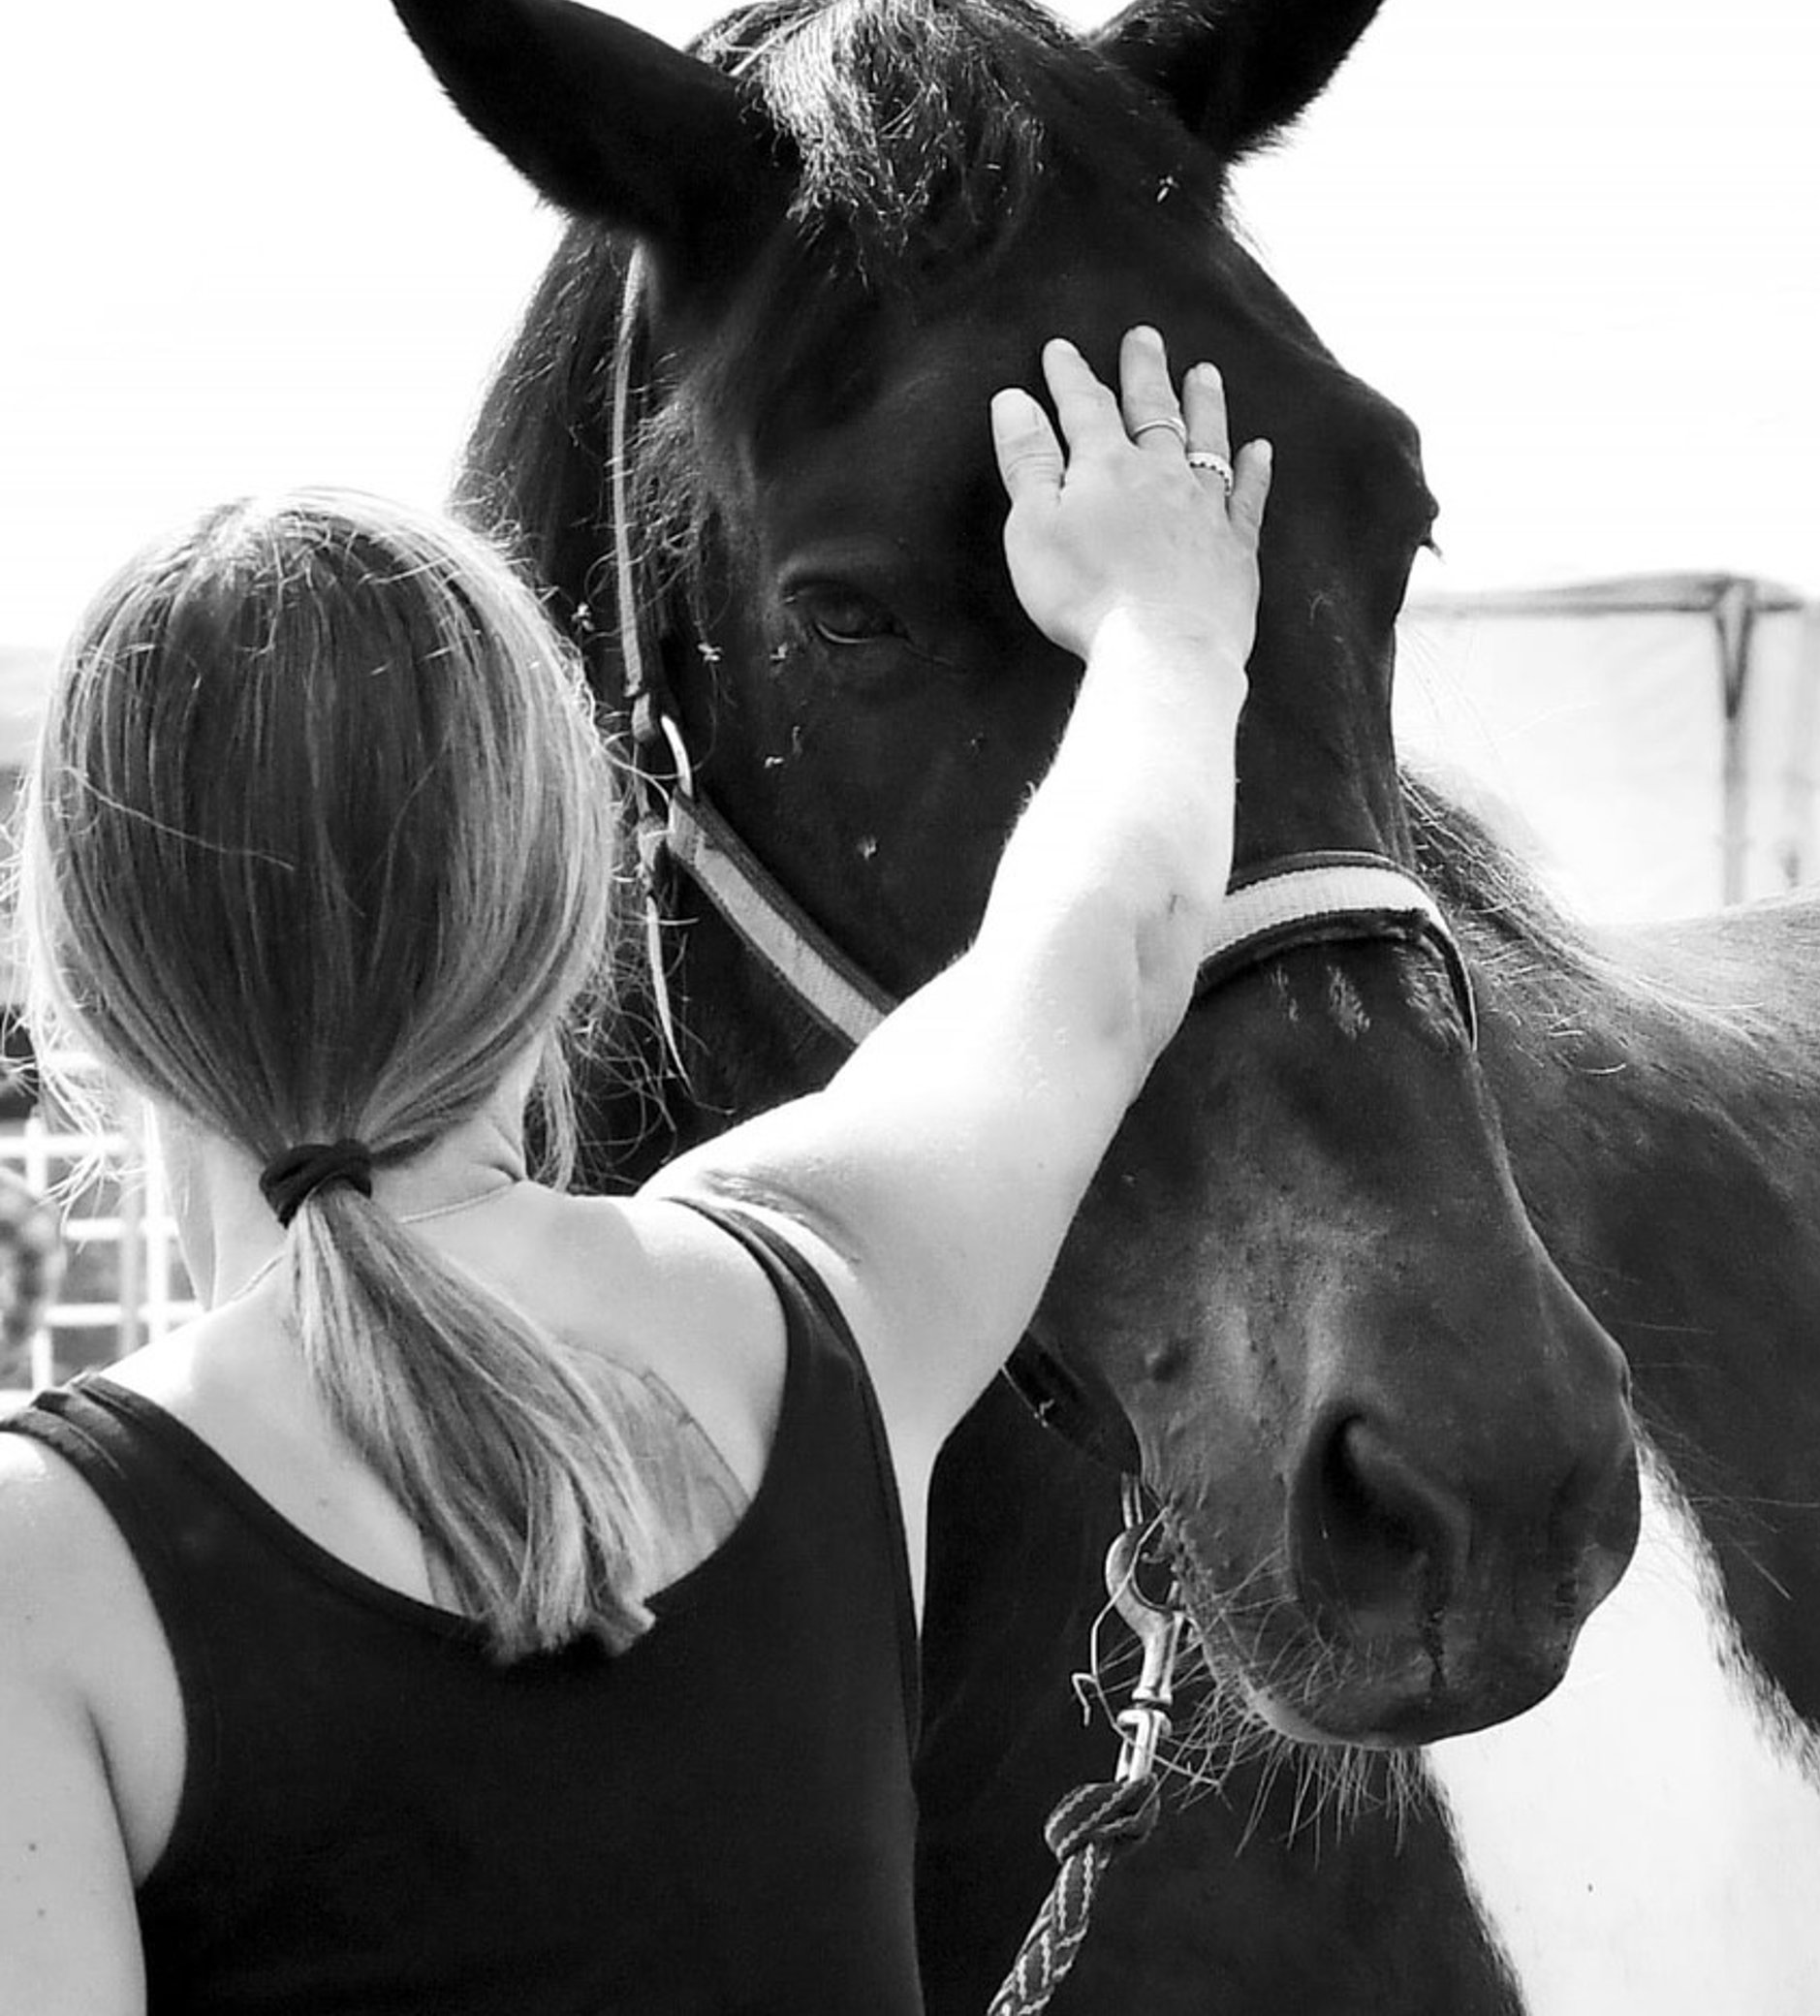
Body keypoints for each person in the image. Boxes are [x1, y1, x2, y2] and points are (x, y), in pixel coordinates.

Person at [0, 329, 1270, 2015]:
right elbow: (1113, 942)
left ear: (85, 1000)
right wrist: (1174, 626)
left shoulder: (49, 1575)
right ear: (560, 921)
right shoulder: (825, 1305)